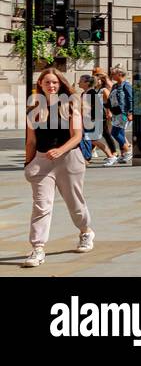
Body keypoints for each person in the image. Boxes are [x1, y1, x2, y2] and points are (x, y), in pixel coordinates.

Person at [23, 68, 94, 267]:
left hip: (69, 159)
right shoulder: (33, 111)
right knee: (41, 206)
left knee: (75, 204)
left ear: (60, 84)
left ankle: (86, 232)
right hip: (42, 162)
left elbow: (77, 136)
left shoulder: (71, 106)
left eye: (55, 82)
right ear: (41, 85)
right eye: (47, 82)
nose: (51, 86)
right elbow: (30, 142)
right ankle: (37, 249)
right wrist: (28, 164)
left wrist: (60, 150)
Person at [108, 67, 133, 164]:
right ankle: (124, 154)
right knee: (120, 133)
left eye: (113, 74)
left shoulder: (126, 85)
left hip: (123, 113)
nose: (112, 76)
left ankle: (128, 151)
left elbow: (130, 99)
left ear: (119, 74)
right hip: (116, 112)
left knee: (115, 133)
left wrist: (130, 112)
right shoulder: (115, 86)